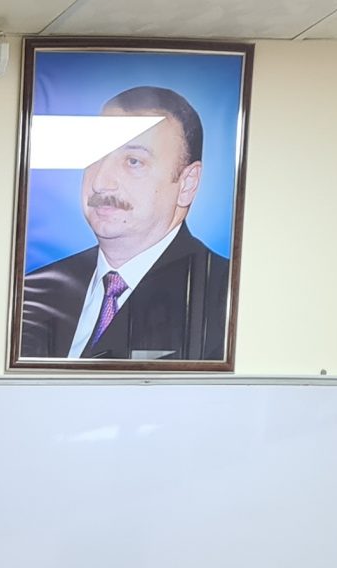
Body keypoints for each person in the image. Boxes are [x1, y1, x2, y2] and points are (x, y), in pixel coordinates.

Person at [16, 84, 233, 362]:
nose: (100, 182)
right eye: (95, 156)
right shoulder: (36, 290)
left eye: (133, 161)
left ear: (187, 183)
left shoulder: (226, 297)